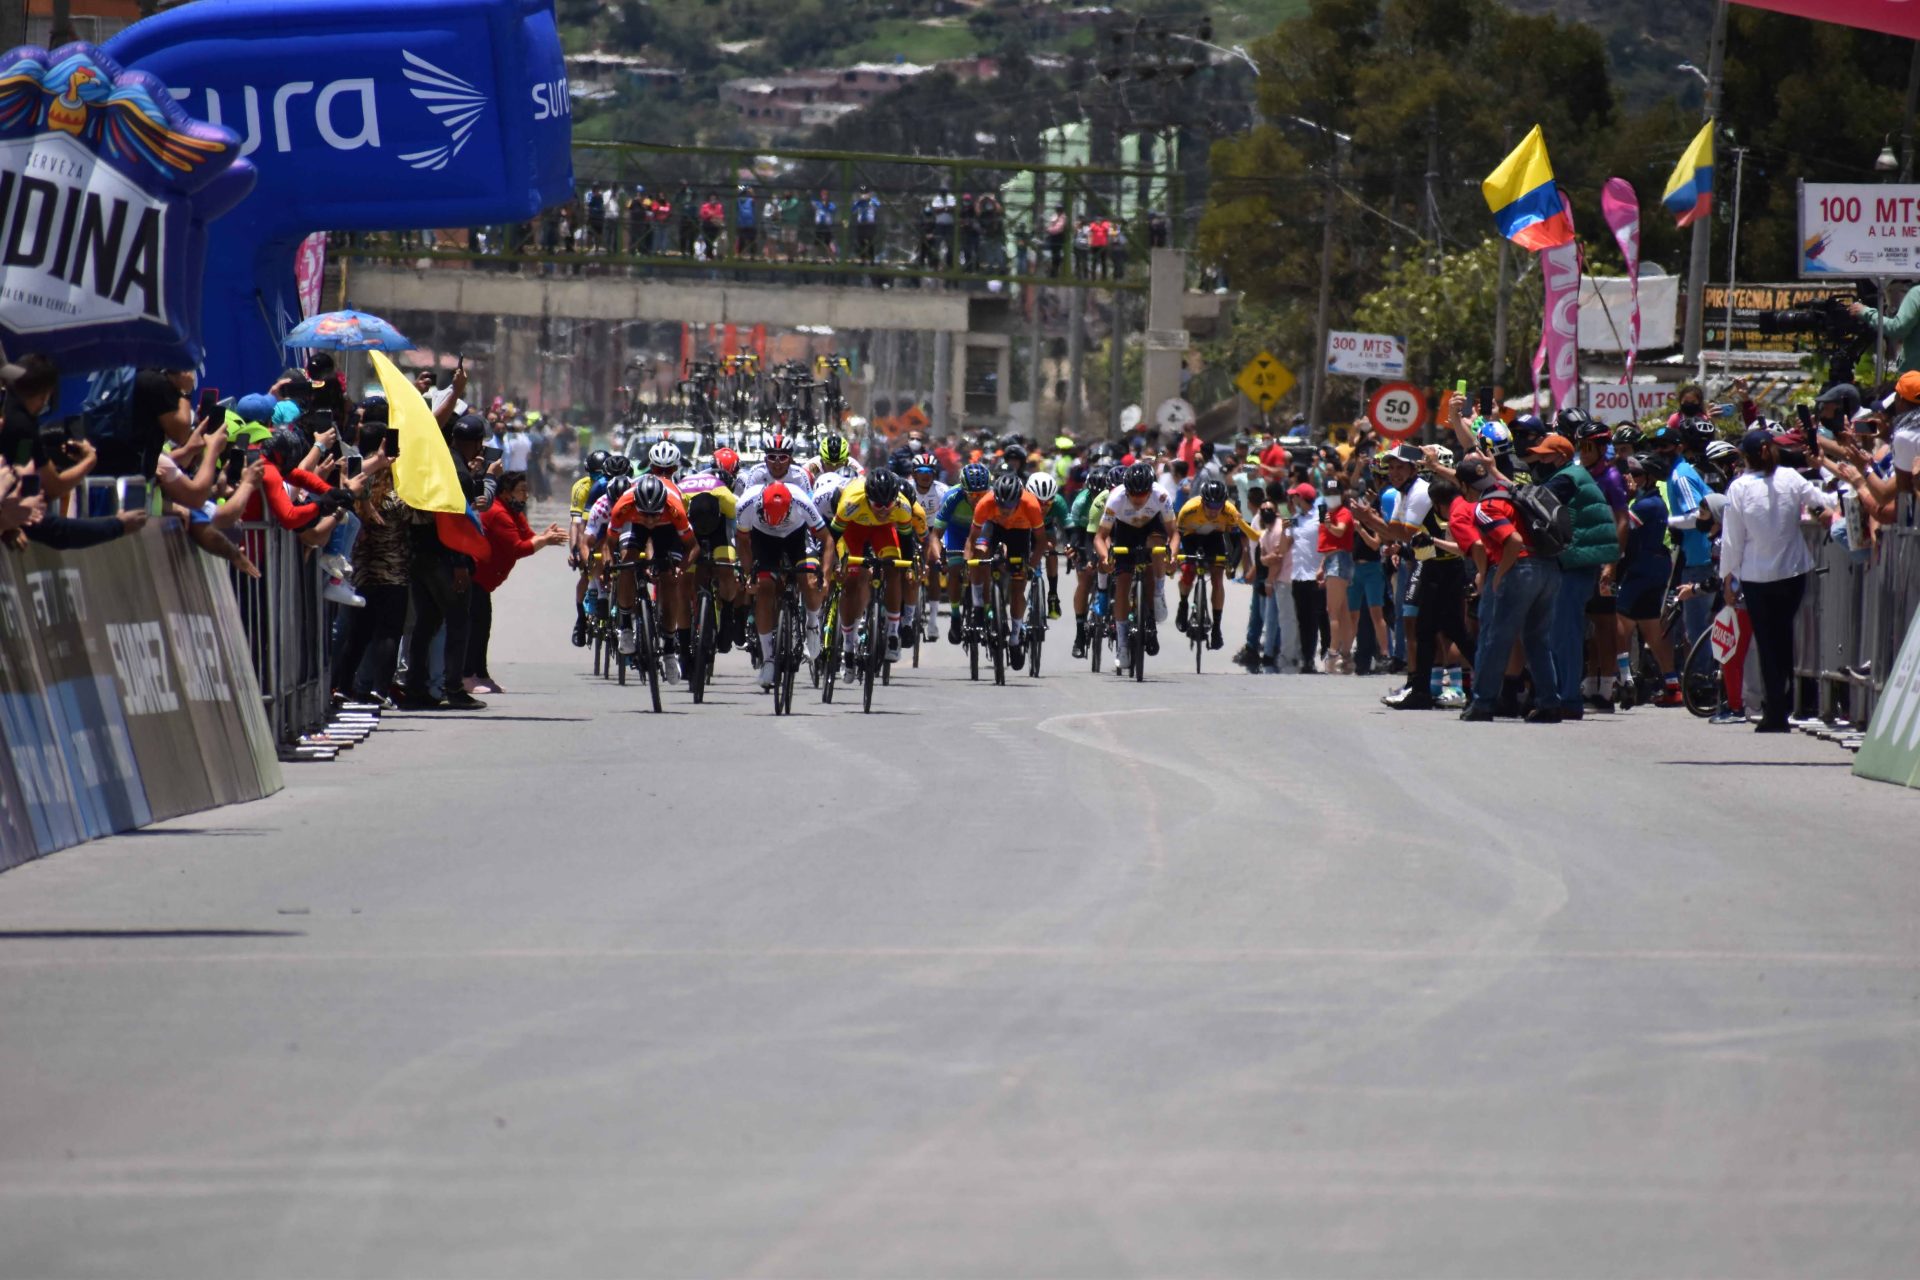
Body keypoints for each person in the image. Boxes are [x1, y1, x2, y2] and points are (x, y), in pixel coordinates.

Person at [1720, 427, 1834, 733]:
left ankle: (1776, 708)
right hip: (1793, 570)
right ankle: (1783, 700)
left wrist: (1728, 576)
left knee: (1768, 641)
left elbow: (1733, 538)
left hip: (1758, 575)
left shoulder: (1740, 487)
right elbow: (1823, 499)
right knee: (1784, 638)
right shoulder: (1790, 478)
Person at [1458, 456, 1561, 723]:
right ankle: (1549, 702)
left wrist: (1499, 574)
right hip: (1548, 569)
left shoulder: (1485, 506)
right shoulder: (1510, 492)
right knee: (1537, 640)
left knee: (1495, 639)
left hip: (1519, 569)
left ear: (1464, 486)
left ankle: (1482, 703)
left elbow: (1512, 541)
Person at [1529, 427, 1618, 720]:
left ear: (1560, 456)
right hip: (1576, 563)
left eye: (1545, 456)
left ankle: (1568, 698)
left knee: (1564, 634)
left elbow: (1535, 501)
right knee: (1562, 632)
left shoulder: (1567, 478)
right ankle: (1563, 695)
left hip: (1575, 564)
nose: (1539, 461)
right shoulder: (1572, 475)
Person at [736, 479, 833, 689]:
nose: (776, 523)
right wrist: (747, 574)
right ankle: (769, 659)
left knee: (808, 579)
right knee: (764, 589)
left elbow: (827, 539)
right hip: (764, 539)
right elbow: (742, 541)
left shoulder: (801, 501)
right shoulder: (747, 504)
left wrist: (825, 575)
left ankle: (812, 624)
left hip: (797, 537)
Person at [1616, 453, 1683, 708]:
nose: (1631, 479)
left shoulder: (1644, 506)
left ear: (1649, 477)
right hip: (1656, 566)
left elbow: (1625, 534)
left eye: (1636, 475)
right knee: (1652, 627)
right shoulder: (1652, 502)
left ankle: (1625, 677)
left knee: (1620, 620)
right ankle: (1672, 684)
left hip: (1641, 568)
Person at [1093, 462, 1173, 668]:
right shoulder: (1116, 498)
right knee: (1122, 584)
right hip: (1125, 532)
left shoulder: (1161, 496)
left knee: (1157, 546)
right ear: (1126, 491)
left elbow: (1174, 533)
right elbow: (1100, 537)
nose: (1137, 499)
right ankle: (1122, 644)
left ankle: (1158, 591)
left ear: (1150, 490)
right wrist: (1104, 557)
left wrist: (1172, 555)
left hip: (1151, 527)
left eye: (1143, 494)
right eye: (1133, 494)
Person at [967, 471, 1049, 667]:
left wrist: (1031, 565)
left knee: (1018, 585)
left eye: (1010, 506)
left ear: (1018, 500)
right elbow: (972, 538)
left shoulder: (1030, 504)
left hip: (1020, 533)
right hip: (993, 528)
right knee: (981, 552)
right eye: (1001, 505)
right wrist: (972, 561)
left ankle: (1015, 636)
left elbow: (1041, 542)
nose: (1005, 510)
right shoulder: (985, 503)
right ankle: (979, 604)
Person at [1171, 478, 1257, 651]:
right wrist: (1176, 556)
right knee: (1188, 571)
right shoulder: (1189, 509)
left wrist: (1232, 564)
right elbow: (1177, 535)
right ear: (1202, 501)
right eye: (1209, 507)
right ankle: (1183, 604)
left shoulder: (1230, 512)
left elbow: (1236, 542)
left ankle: (1217, 627)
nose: (1213, 511)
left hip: (1214, 538)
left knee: (1218, 580)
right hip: (1191, 537)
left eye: (1217, 507)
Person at [1284, 482, 1325, 673]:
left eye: (1295, 496)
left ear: (1302, 498)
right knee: (1302, 619)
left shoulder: (1319, 518)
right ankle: (1307, 657)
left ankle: (1319, 654)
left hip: (1314, 575)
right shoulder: (1295, 519)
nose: (1292, 499)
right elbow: (1285, 546)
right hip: (1298, 576)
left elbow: (1326, 544)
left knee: (1315, 618)